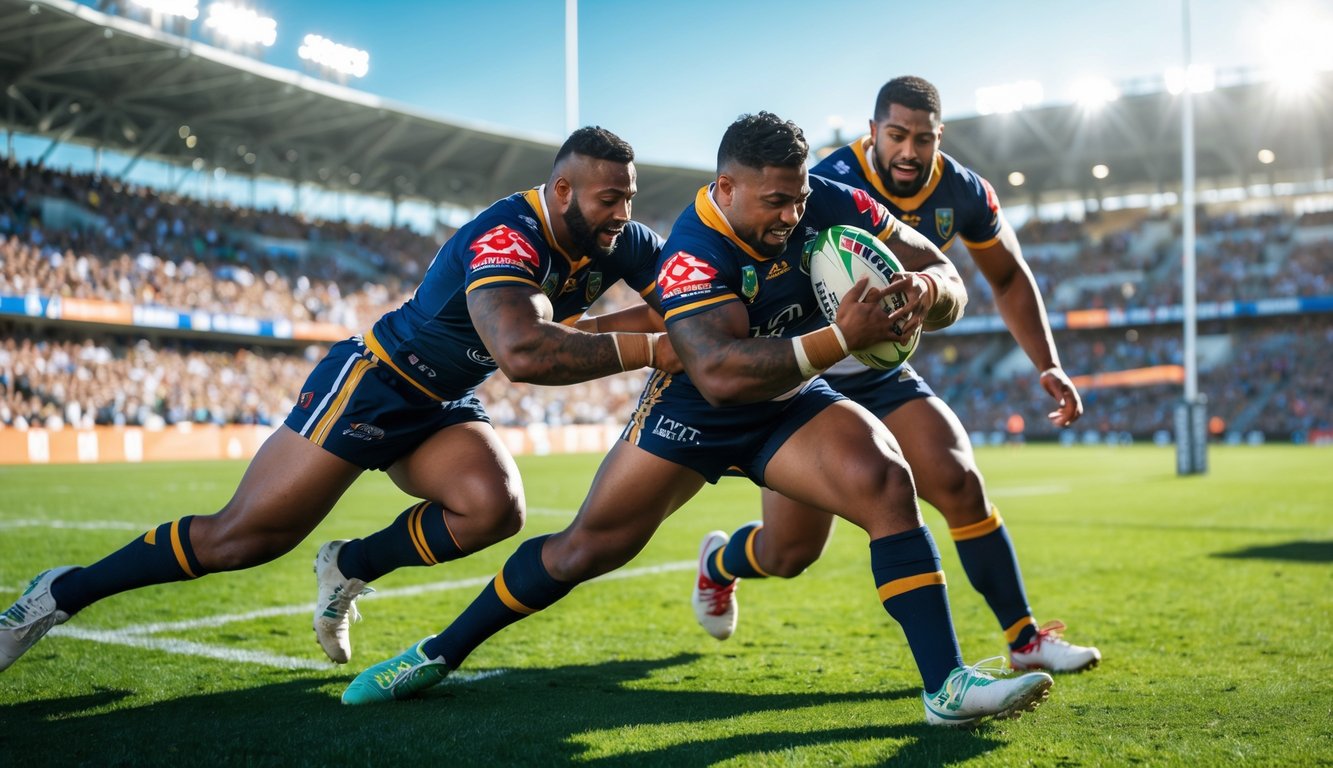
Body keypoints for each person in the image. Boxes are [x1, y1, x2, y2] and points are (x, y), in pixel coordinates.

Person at [340, 112, 1054, 728]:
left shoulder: (835, 203)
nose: (790, 215)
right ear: (724, 190)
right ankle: (435, 653)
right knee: (583, 551)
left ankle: (945, 686)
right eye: (774, 201)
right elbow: (717, 371)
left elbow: (947, 275)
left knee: (884, 481)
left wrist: (925, 288)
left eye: (797, 197)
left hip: (787, 399)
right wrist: (842, 337)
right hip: (696, 410)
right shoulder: (691, 250)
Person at [0, 127, 679, 672]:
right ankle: (57, 594)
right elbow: (524, 353)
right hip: (374, 382)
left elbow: (688, 302)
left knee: (491, 510)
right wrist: (652, 346)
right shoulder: (506, 236)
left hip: (442, 400)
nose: (622, 213)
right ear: (561, 190)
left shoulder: (620, 240)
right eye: (607, 199)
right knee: (241, 539)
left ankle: (346, 566)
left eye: (627, 198)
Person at [690, 76, 1098, 674]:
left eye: (925, 139)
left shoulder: (963, 192)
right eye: (898, 135)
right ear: (873, 129)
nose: (910, 151)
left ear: (941, 138)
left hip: (883, 371)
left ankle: (1024, 639)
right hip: (811, 376)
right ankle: (720, 565)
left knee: (959, 480)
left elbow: (1006, 276)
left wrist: (1049, 364)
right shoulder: (823, 183)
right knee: (790, 551)